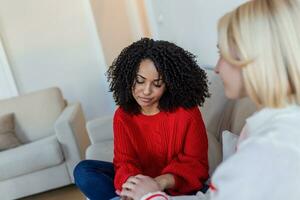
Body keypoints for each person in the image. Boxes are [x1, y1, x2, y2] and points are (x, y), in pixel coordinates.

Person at [141, 0, 300, 199]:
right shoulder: (266, 130)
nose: (216, 68)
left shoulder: (268, 148)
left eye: (222, 54)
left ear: (252, 58)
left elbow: (196, 167)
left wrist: (151, 194)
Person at [73, 38, 210, 200]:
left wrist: (157, 184)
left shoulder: (187, 113)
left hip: (173, 185)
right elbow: (124, 161)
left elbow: (196, 165)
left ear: (169, 84)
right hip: (139, 184)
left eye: (157, 84)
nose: (146, 91)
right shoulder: (123, 115)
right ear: (128, 77)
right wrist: (132, 187)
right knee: (83, 170)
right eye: (140, 81)